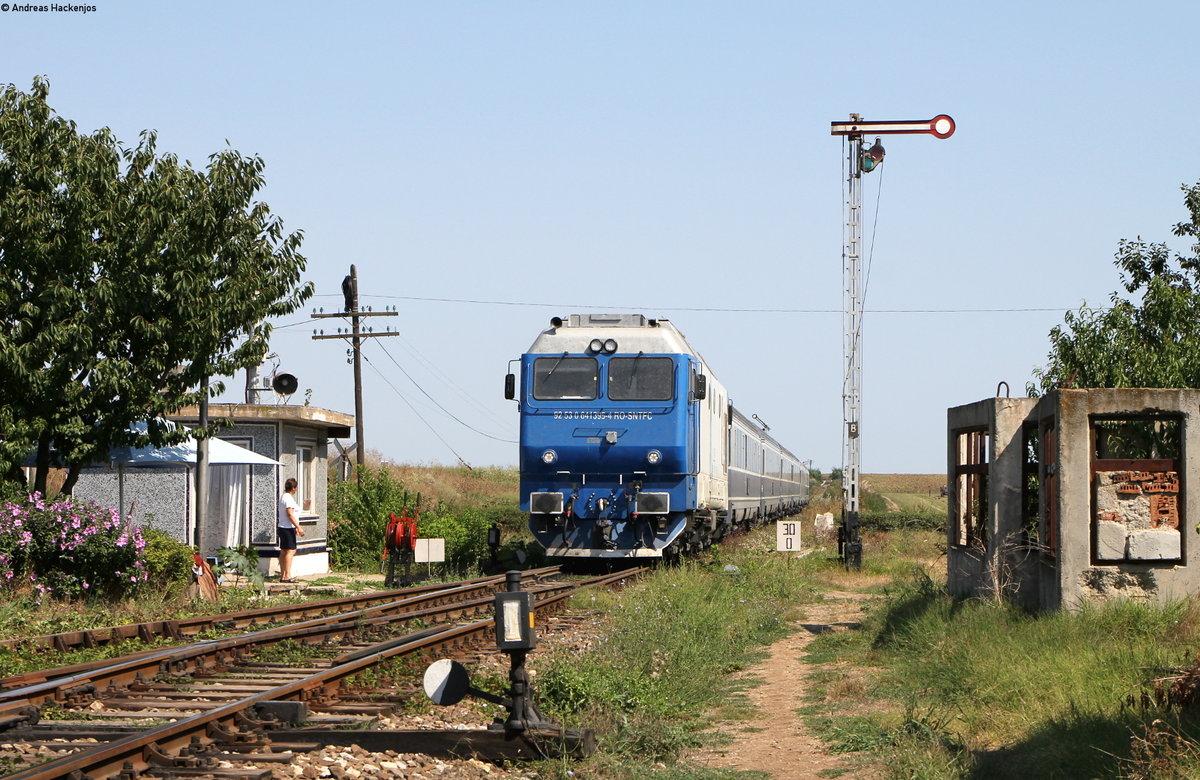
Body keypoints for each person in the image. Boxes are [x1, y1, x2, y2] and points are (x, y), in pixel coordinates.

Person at [277, 477, 305, 582]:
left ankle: (283, 575)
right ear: (293, 488)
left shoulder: (284, 497)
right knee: (291, 551)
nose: (296, 489)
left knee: (284, 551)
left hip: (284, 527)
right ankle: (287, 575)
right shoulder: (288, 498)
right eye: (296, 487)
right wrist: (298, 527)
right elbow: (290, 514)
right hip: (287, 528)